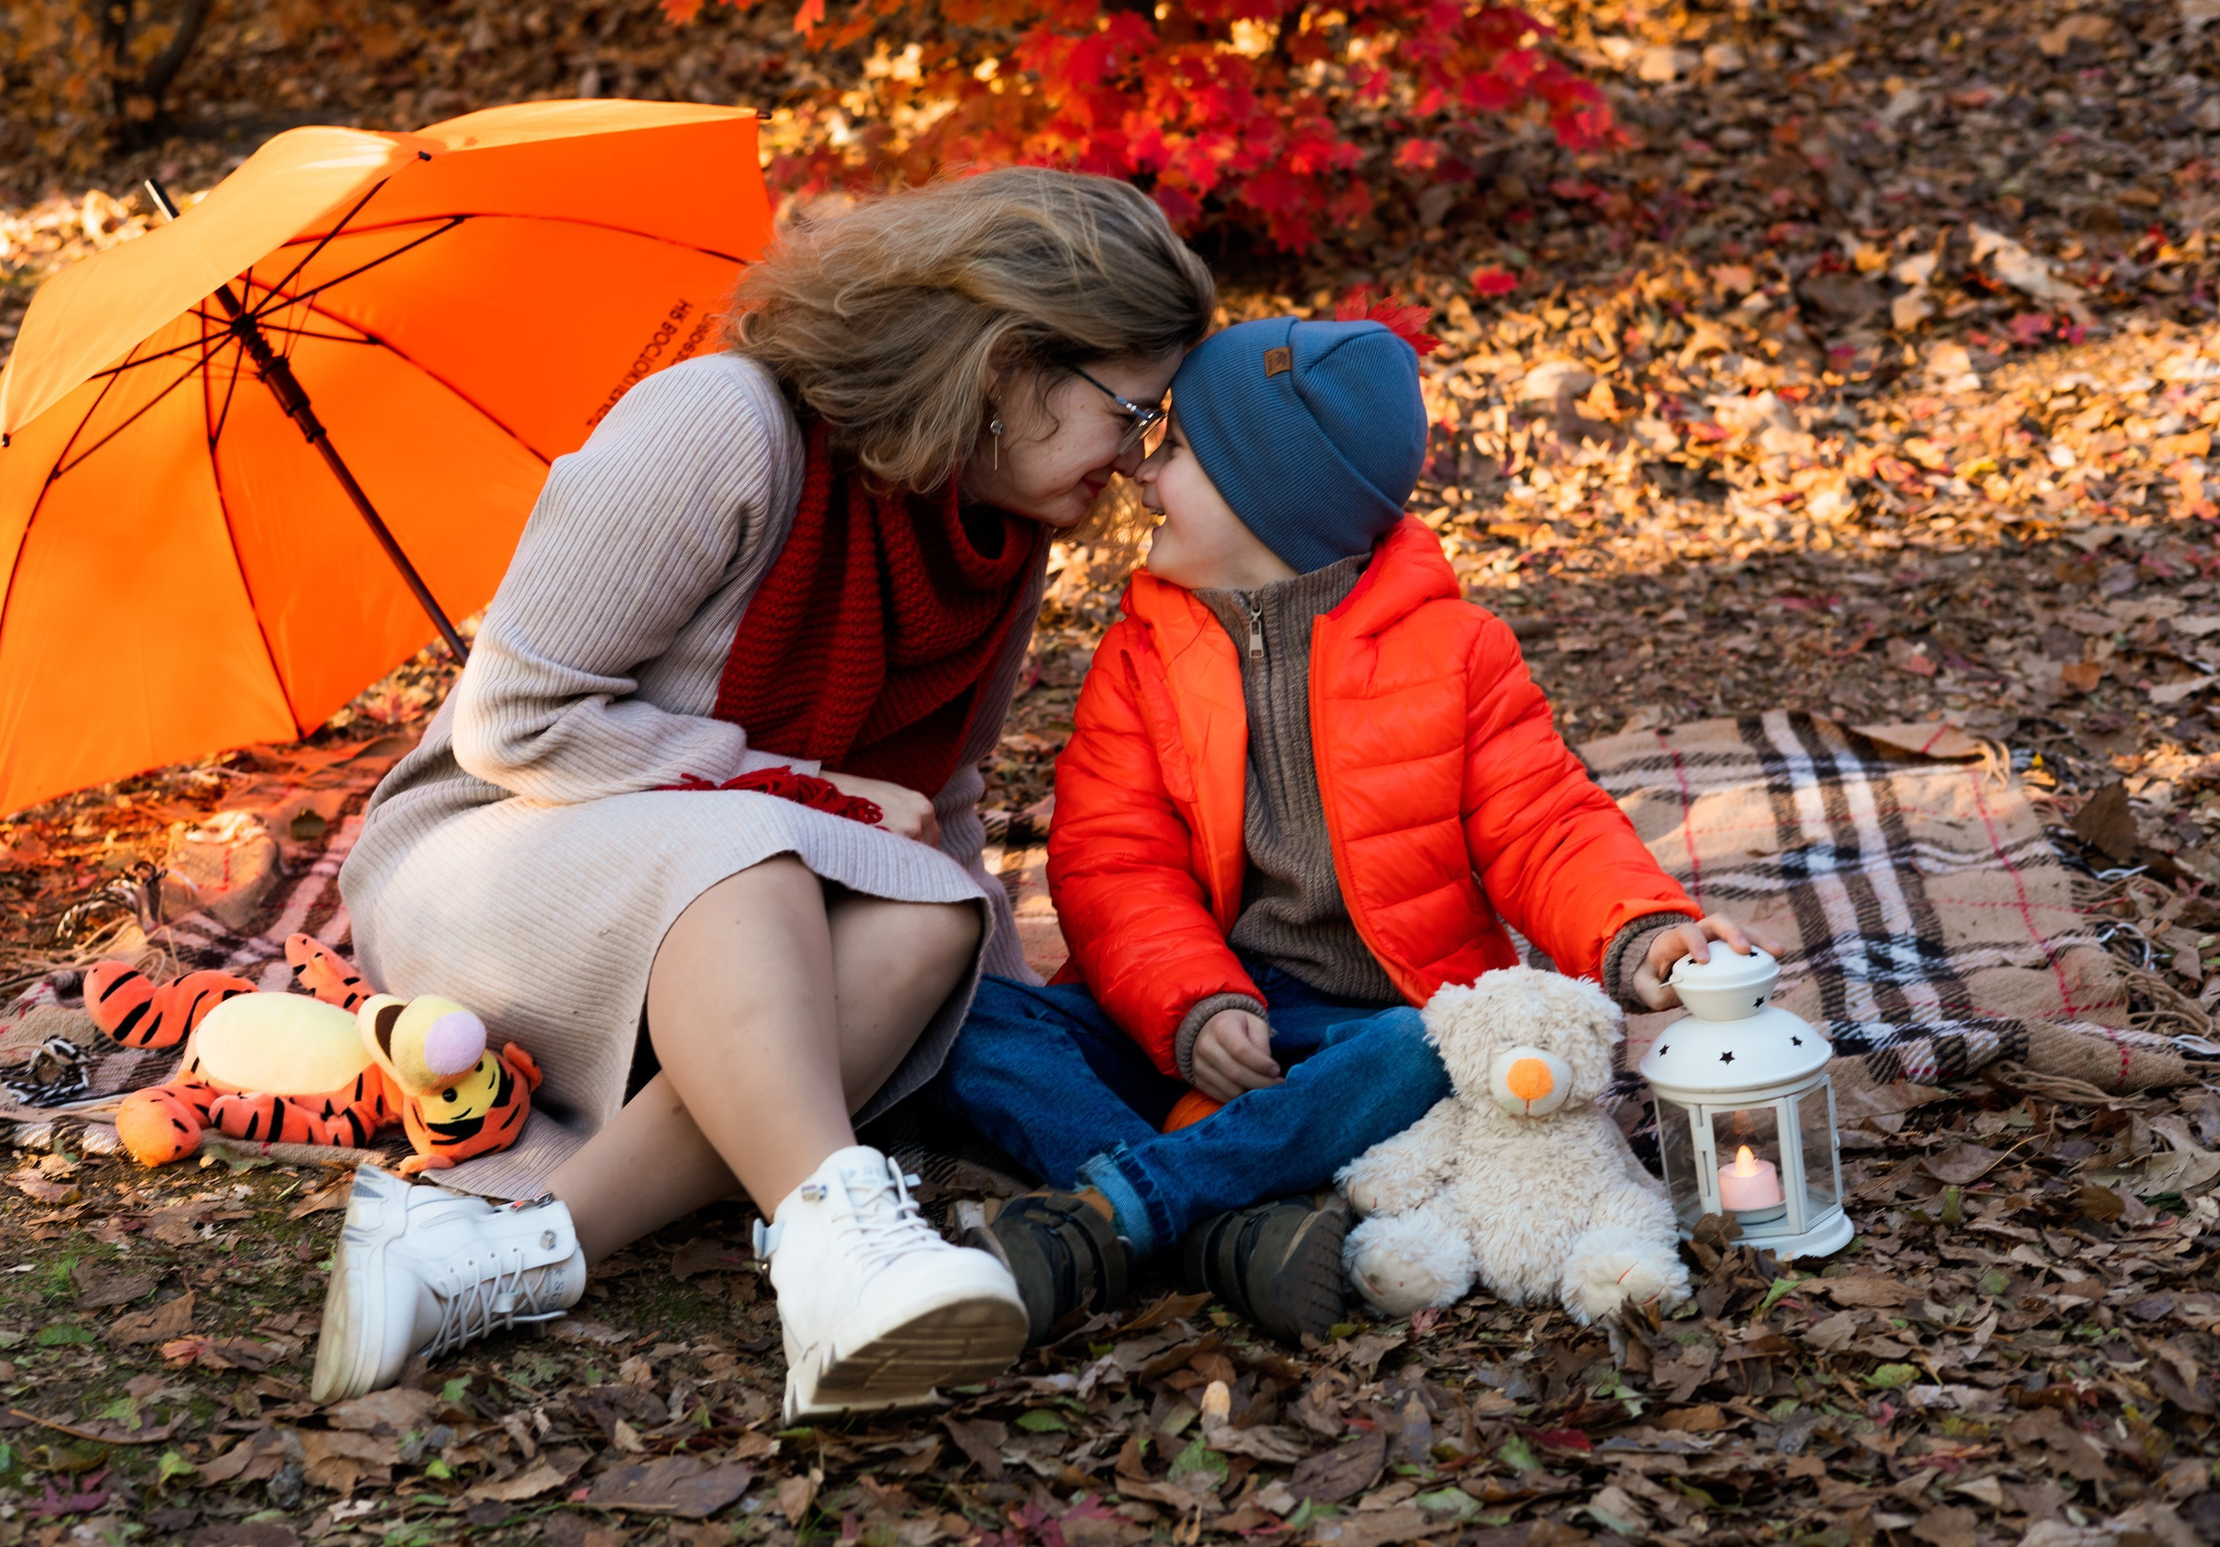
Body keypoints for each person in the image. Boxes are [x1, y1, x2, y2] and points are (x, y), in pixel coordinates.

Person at [310, 168, 1217, 1420]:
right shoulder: (721, 423)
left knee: (933, 911)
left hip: (734, 910)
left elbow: (935, 806)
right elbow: (514, 720)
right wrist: (803, 795)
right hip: (494, 853)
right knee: (758, 850)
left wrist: (1006, 1039)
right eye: (1130, 408)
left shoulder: (996, 541)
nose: (1134, 462)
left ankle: (491, 1252)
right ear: (1008, 364)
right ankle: (837, 1240)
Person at [940, 315, 1757, 1344]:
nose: (1142, 475)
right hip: (1206, 1025)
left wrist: (1641, 930)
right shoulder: (1139, 656)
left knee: (1438, 1045)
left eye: (1178, 449)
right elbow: (1112, 866)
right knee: (968, 1023)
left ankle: (1117, 1214)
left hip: (1375, 1034)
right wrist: (1191, 1004)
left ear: (1267, 493)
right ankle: (1223, 1231)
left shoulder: (1453, 653)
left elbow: (1544, 823)